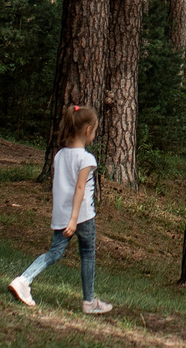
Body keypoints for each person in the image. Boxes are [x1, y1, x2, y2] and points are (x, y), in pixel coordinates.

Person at [9, 104, 111, 313]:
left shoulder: (59, 155)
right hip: (82, 216)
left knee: (55, 253)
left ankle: (23, 279)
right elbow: (79, 189)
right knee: (88, 254)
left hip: (61, 214)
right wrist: (74, 219)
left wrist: (66, 217)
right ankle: (89, 302)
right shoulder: (86, 158)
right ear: (87, 130)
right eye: (95, 130)